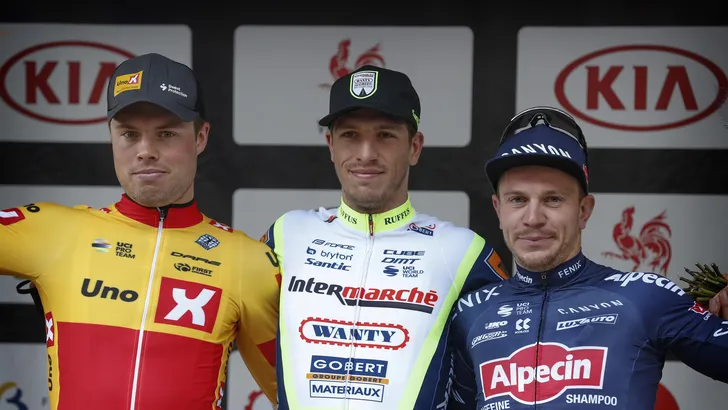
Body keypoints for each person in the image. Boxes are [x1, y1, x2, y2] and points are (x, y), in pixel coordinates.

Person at [1, 53, 280, 410]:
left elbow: (296, 395)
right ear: (111, 138)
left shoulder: (247, 261)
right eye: (129, 134)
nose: (146, 151)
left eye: (166, 133)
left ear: (200, 137)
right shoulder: (54, 230)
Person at [260, 65, 509, 409]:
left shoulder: (463, 252)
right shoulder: (287, 234)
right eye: (350, 135)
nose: (366, 153)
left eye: (385, 135)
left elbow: (502, 373)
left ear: (415, 147)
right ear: (330, 145)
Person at [447, 106, 728, 410]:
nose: (533, 218)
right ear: (498, 209)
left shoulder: (644, 297)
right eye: (517, 200)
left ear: (583, 210)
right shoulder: (470, 314)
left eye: (553, 199)